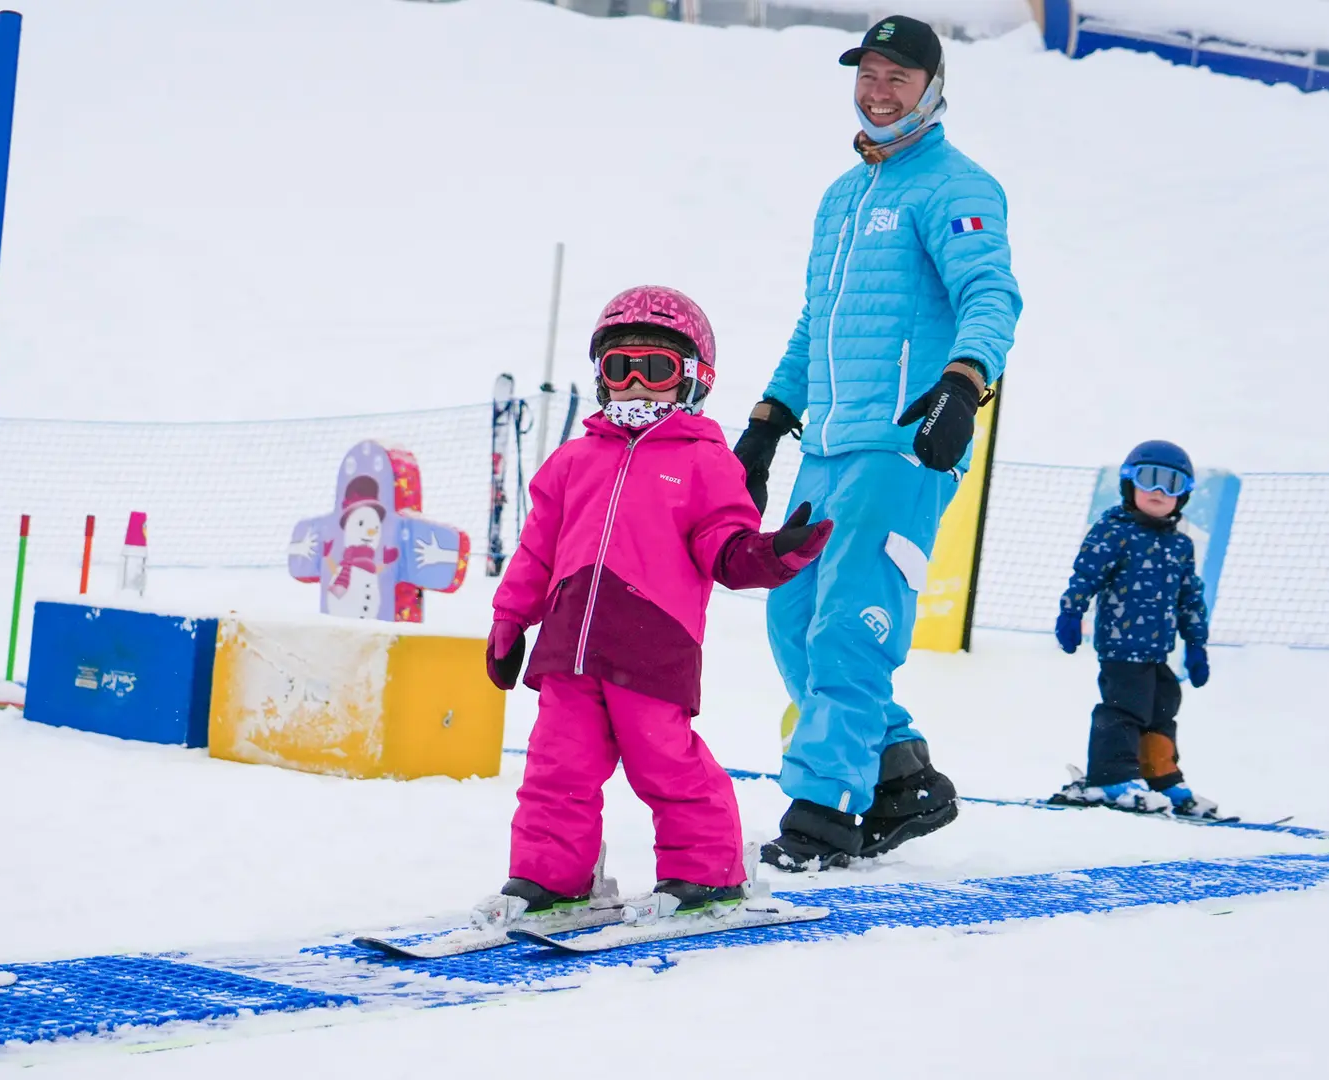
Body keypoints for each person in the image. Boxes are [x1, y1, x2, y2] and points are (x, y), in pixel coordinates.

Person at [733, 15, 1022, 871]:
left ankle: (823, 812)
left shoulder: (955, 187)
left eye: (898, 76)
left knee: (848, 631)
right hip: (828, 444)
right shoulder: (841, 196)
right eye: (869, 72)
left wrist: (964, 386)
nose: (879, 88)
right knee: (792, 617)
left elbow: (991, 293)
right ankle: (900, 775)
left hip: (904, 443)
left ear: (933, 88)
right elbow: (817, 321)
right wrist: (766, 421)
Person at [482, 286, 834, 925]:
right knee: (556, 769)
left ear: (694, 380)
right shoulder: (571, 461)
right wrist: (510, 620)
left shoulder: (705, 463)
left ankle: (706, 874)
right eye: (621, 369)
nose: (637, 384)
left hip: (654, 645)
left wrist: (776, 552)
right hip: (569, 649)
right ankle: (549, 877)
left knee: (666, 763)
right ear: (601, 379)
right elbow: (536, 549)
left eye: (658, 368)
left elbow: (726, 550)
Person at [1053, 440, 1216, 818]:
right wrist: (1071, 613)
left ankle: (1160, 776)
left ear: (1184, 494)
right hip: (1121, 647)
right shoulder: (1114, 531)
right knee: (1124, 709)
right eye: (1149, 479)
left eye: (1171, 484)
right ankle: (1112, 777)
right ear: (1129, 484)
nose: (1159, 491)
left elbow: (1190, 598)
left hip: (1158, 648)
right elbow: (1085, 576)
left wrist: (1196, 644)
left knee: (1162, 707)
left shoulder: (1180, 545)